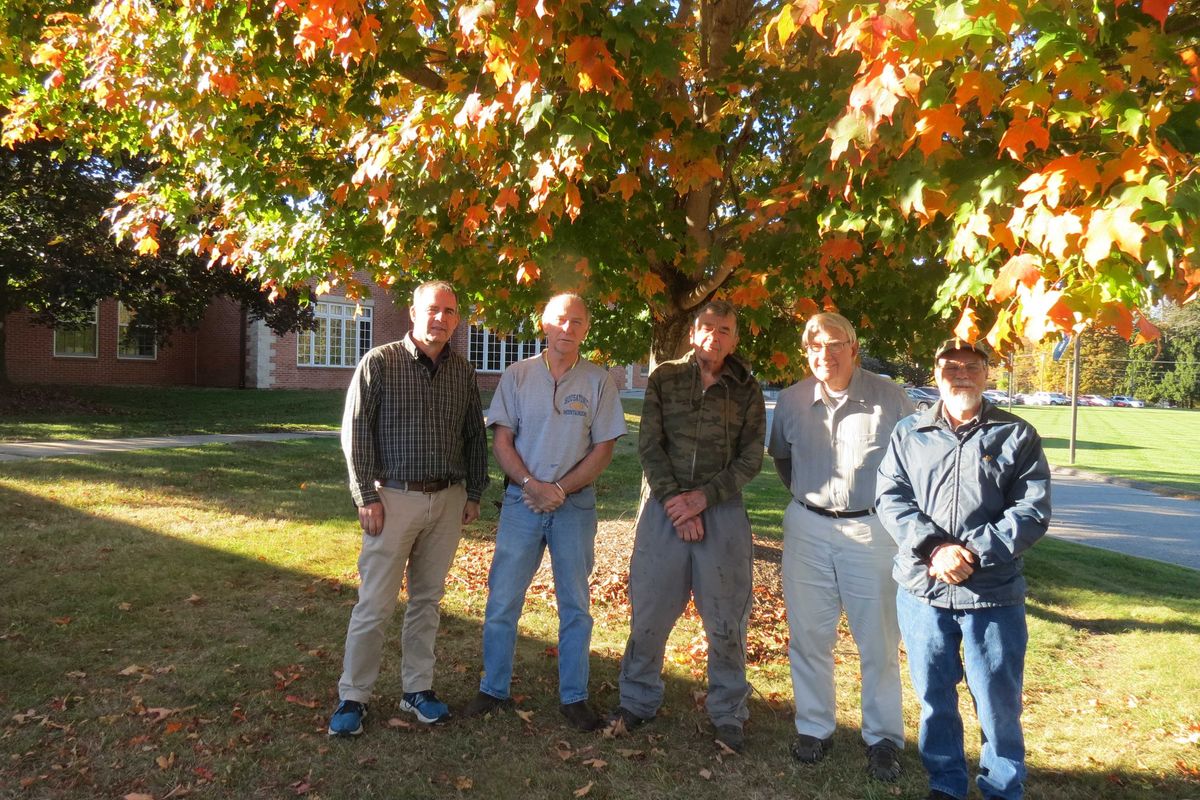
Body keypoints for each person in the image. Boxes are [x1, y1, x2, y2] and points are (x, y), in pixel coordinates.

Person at [876, 338, 1051, 800]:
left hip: (991, 594)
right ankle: (946, 784)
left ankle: (1001, 787)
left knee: (997, 702)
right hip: (922, 591)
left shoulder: (1016, 435)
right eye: (951, 365)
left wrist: (969, 553)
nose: (961, 374)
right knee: (934, 699)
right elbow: (891, 499)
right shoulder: (909, 433)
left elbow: (1031, 512)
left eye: (972, 365)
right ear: (936, 372)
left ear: (987, 373)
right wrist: (934, 548)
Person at [327, 280, 489, 736]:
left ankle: (417, 689)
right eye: (433, 309)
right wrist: (366, 495)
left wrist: (474, 492)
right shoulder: (379, 362)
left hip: (448, 499)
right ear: (413, 314)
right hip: (392, 499)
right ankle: (353, 696)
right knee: (375, 603)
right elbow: (355, 432)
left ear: (457, 319)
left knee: (427, 601)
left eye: (450, 311)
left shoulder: (462, 370)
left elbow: (474, 436)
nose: (441, 318)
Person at [462, 293, 627, 731]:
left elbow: (604, 448)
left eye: (577, 321)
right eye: (560, 320)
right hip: (521, 504)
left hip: (574, 506)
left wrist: (558, 488)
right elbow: (502, 441)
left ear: (586, 329)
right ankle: (493, 688)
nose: (567, 329)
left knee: (575, 605)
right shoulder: (516, 376)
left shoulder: (599, 380)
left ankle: (574, 696)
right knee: (502, 600)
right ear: (544, 324)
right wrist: (531, 485)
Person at [609, 300, 765, 753]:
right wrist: (678, 502)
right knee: (650, 613)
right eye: (707, 327)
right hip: (665, 508)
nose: (714, 336)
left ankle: (729, 712)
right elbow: (649, 445)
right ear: (693, 332)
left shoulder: (747, 388)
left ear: (735, 339)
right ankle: (637, 699)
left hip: (722, 512)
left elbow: (752, 456)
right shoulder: (664, 378)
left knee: (726, 619)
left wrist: (704, 499)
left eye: (725, 330)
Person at [768, 312, 914, 780]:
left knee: (878, 640)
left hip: (871, 531)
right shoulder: (791, 400)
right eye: (814, 347)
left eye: (834, 345)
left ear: (854, 348)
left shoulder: (890, 399)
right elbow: (782, 458)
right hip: (807, 526)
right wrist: (812, 501)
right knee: (809, 635)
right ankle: (813, 727)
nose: (824, 355)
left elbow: (915, 464)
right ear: (805, 352)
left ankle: (884, 738)